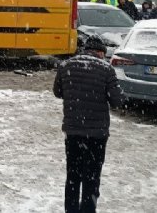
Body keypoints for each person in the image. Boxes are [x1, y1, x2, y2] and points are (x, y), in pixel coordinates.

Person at [53, 35, 124, 213]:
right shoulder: (106, 69)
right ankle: (88, 209)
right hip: (97, 134)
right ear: (100, 52)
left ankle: (71, 210)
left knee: (73, 176)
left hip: (73, 131)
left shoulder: (66, 65)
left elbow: (58, 91)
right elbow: (117, 100)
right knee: (91, 177)